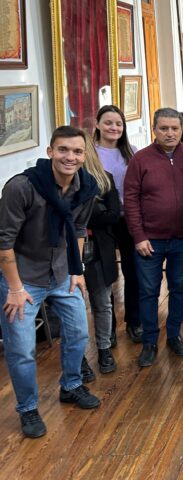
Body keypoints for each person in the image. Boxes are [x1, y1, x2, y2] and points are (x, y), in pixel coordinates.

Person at [0, 126, 100, 438]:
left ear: (84, 156)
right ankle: (28, 408)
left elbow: (80, 229)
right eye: (63, 150)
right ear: (50, 152)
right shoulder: (22, 187)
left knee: (78, 333)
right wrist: (15, 289)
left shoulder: (87, 187)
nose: (70, 157)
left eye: (77, 151)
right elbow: (3, 243)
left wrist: (77, 269)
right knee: (22, 350)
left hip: (62, 274)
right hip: (23, 278)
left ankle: (71, 386)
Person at [124, 108, 183, 368]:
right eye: (164, 128)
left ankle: (175, 335)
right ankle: (150, 342)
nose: (169, 133)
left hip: (182, 239)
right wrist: (139, 236)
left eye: (174, 128)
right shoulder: (140, 159)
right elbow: (130, 201)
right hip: (149, 241)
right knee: (148, 292)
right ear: (154, 129)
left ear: (181, 129)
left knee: (178, 290)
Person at [94, 105, 142, 343]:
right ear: (97, 125)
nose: (113, 128)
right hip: (102, 220)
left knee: (133, 272)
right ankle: (108, 328)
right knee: (106, 275)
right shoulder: (90, 153)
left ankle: (134, 321)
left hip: (128, 218)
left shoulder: (131, 152)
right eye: (108, 123)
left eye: (118, 124)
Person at [82, 135, 121, 374]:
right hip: (68, 253)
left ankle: (104, 349)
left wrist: (88, 215)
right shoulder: (58, 183)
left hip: (98, 248)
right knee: (73, 308)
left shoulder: (104, 180)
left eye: (80, 150)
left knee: (102, 302)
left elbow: (114, 215)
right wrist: (97, 210)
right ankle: (78, 359)